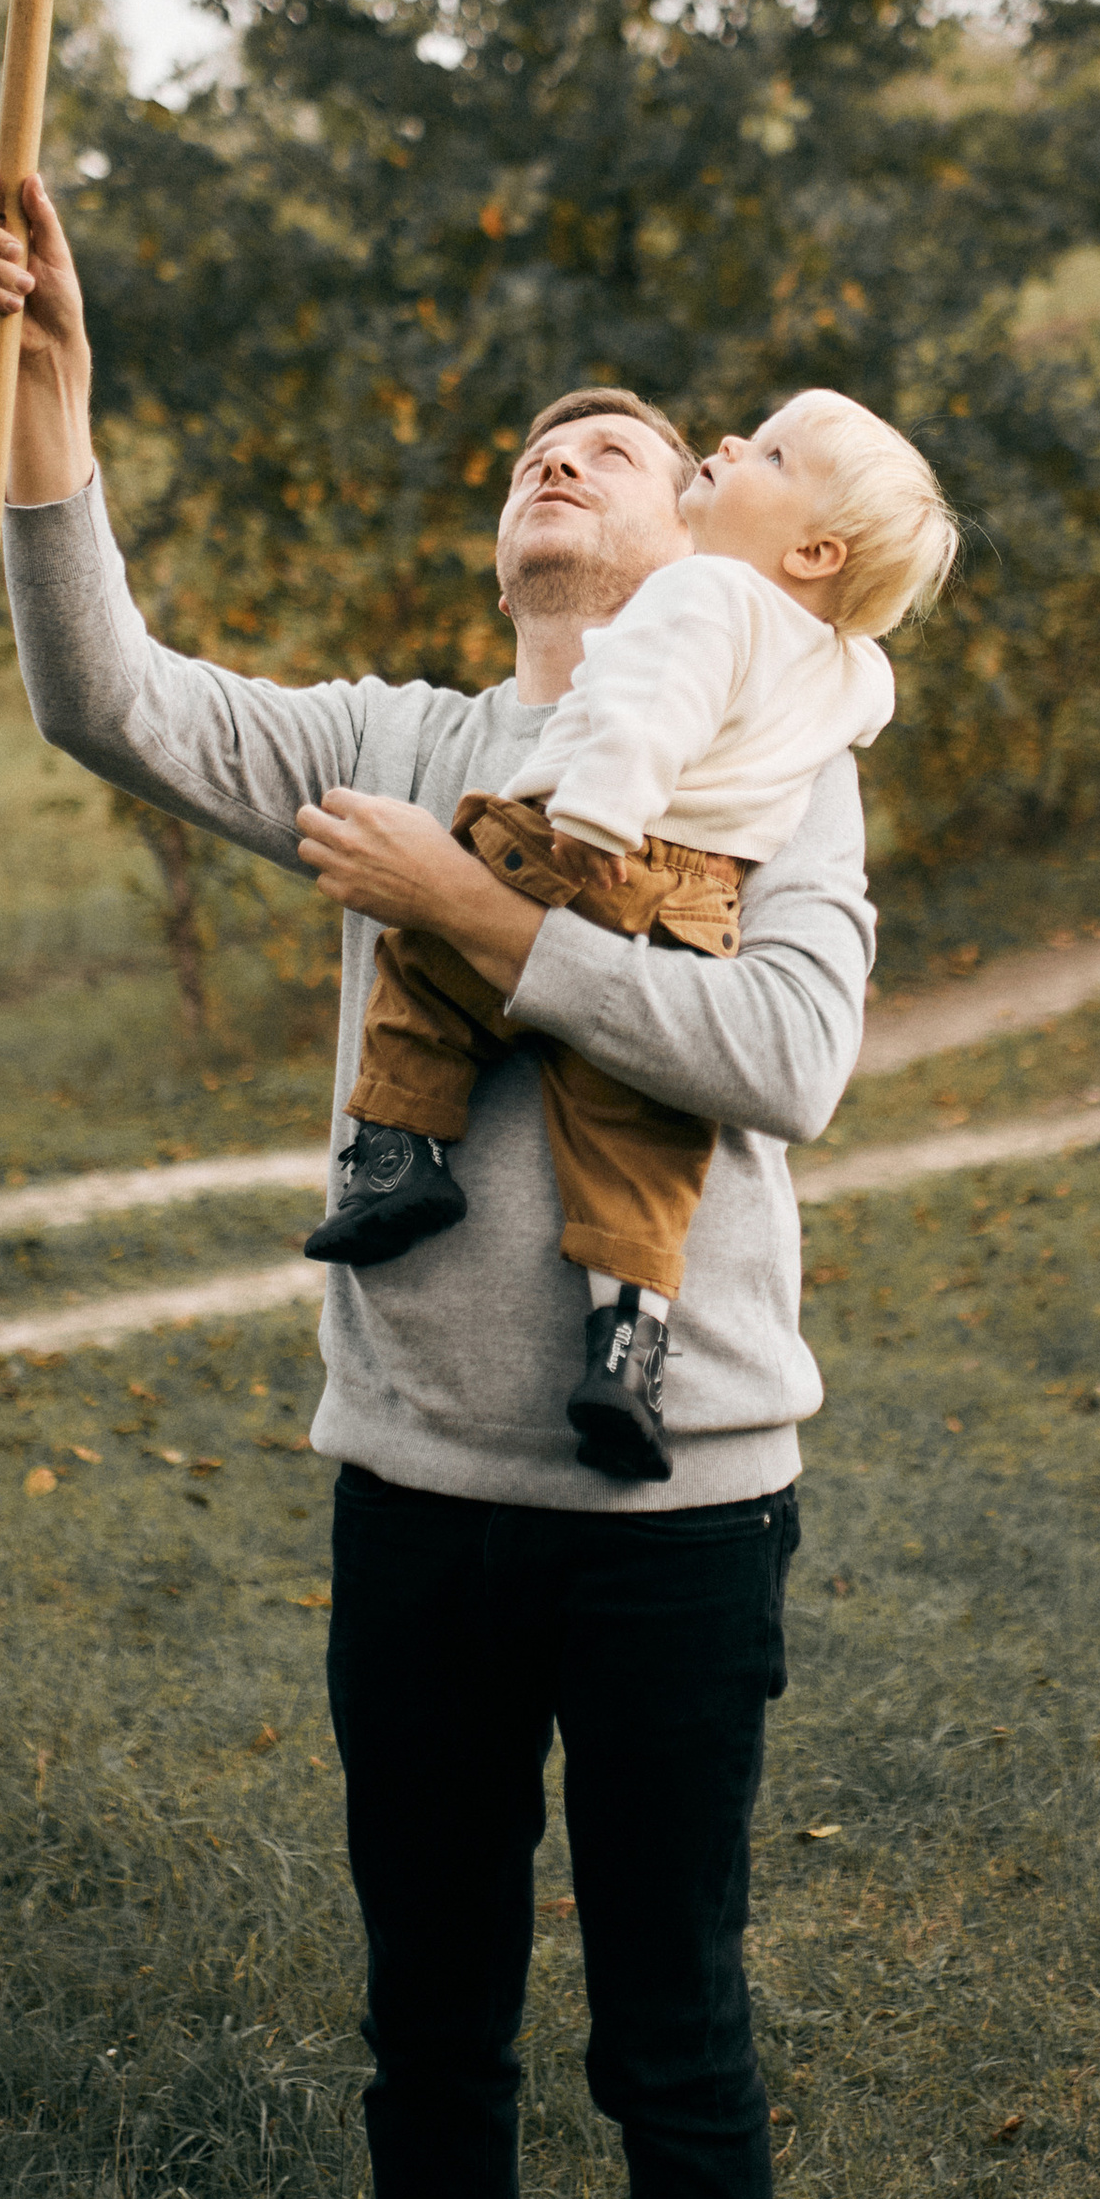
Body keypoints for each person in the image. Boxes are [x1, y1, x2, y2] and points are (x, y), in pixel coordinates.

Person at [0, 160, 882, 2199]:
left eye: (618, 438)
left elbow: (786, 1056)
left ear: (705, 527)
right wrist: (60, 392)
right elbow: (104, 697)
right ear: (502, 546)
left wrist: (477, 921)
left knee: (665, 2026)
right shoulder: (395, 735)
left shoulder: (771, 762)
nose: (561, 454)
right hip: (416, 1499)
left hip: (677, 1507)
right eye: (534, 446)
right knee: (430, 2012)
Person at [304, 389, 958, 1482]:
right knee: (640, 1139)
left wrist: (588, 827)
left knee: (420, 965)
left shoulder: (698, 595)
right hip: (698, 903)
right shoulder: (848, 669)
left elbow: (643, 722)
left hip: (580, 839)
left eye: (771, 452)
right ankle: (627, 1339)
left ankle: (399, 1152)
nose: (732, 444)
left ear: (810, 547)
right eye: (540, 460)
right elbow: (847, 715)